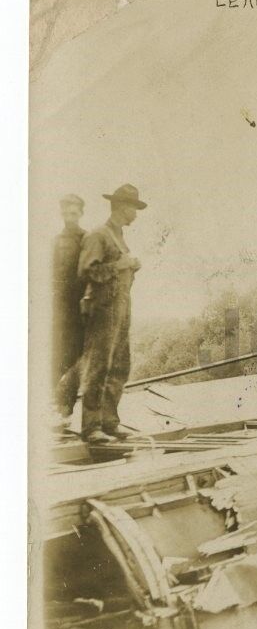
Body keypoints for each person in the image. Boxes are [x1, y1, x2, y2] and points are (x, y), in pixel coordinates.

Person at [77, 184, 146, 444]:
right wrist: (121, 264)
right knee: (99, 367)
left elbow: (117, 275)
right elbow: (87, 271)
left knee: (119, 366)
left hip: (121, 311)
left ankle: (109, 422)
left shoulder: (118, 237)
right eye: (133, 208)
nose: (136, 214)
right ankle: (92, 427)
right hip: (103, 312)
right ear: (120, 207)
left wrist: (132, 268)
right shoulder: (98, 235)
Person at [52, 194, 87, 419]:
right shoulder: (57, 241)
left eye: (73, 213)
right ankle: (60, 410)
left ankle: (68, 408)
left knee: (80, 356)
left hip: (82, 306)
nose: (69, 217)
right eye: (66, 213)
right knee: (60, 356)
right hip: (61, 309)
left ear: (81, 213)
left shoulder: (87, 238)